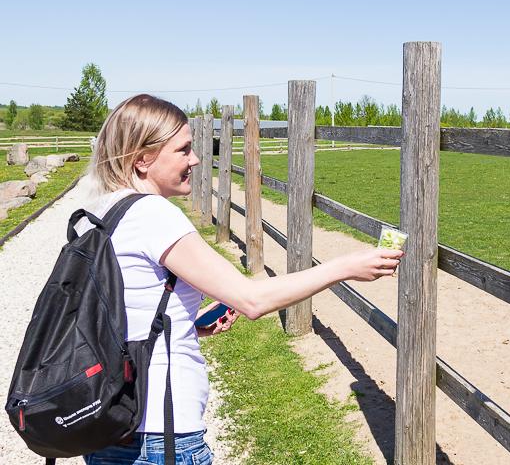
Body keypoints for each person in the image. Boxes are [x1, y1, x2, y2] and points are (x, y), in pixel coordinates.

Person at [76, 94, 402, 465]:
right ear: (142, 158)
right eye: (183, 150)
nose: (195, 159)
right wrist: (344, 267)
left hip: (111, 424)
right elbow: (252, 299)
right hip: (160, 436)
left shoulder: (98, 211)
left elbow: (117, 313)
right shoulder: (152, 215)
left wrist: (185, 326)